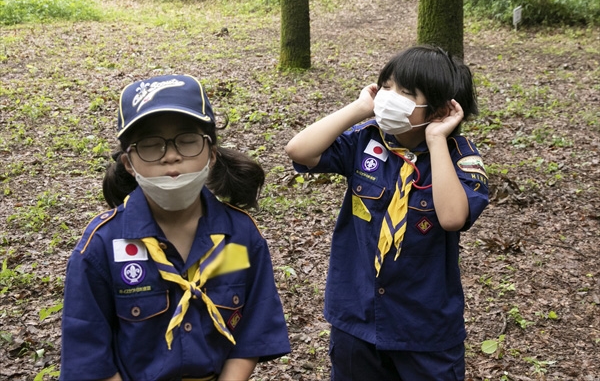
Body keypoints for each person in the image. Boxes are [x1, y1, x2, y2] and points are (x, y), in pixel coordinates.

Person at [60, 74, 290, 381]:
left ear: (211, 153)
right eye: (151, 145)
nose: (171, 155)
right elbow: (89, 353)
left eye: (187, 140)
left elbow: (252, 331)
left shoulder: (239, 238)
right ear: (129, 163)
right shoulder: (101, 246)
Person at [285, 45, 489, 380]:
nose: (389, 97)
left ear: (439, 110)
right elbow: (299, 150)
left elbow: (453, 217)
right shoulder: (366, 141)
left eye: (406, 92)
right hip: (357, 316)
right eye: (388, 86)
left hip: (424, 329)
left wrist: (436, 139)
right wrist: (359, 108)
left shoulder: (459, 158)